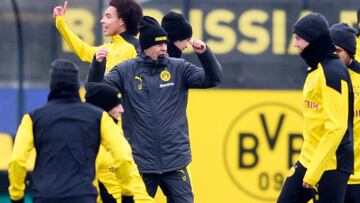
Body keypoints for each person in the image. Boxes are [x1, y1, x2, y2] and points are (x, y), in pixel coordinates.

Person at [88, 16, 223, 203]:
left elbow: (212, 79)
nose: (164, 48)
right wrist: (97, 65)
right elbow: (95, 91)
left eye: (165, 44)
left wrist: (205, 54)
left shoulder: (179, 68)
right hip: (141, 164)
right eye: (159, 45)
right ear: (146, 46)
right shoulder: (125, 71)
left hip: (176, 163)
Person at [8, 59, 134, 203]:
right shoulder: (99, 117)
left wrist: (16, 196)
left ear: (52, 85)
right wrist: (127, 194)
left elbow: (17, 160)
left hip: (46, 196)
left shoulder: (32, 118)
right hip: (82, 196)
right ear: (76, 85)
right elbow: (123, 156)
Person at [277, 13, 354, 203]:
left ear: (312, 40)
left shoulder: (332, 72)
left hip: (331, 165)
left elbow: (336, 128)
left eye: (298, 39)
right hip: (308, 159)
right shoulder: (316, 68)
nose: (295, 44)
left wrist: (313, 173)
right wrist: (308, 166)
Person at [85, 82, 154, 203]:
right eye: (116, 105)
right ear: (103, 109)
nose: (122, 110)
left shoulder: (116, 135)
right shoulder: (91, 144)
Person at [53, 0, 143, 74]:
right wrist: (60, 22)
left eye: (108, 16)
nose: (102, 20)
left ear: (121, 21)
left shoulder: (138, 47)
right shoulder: (105, 49)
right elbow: (83, 50)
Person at [329, 23, 360, 203]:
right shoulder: (321, 75)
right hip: (331, 174)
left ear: (350, 52)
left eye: (338, 51)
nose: (333, 56)